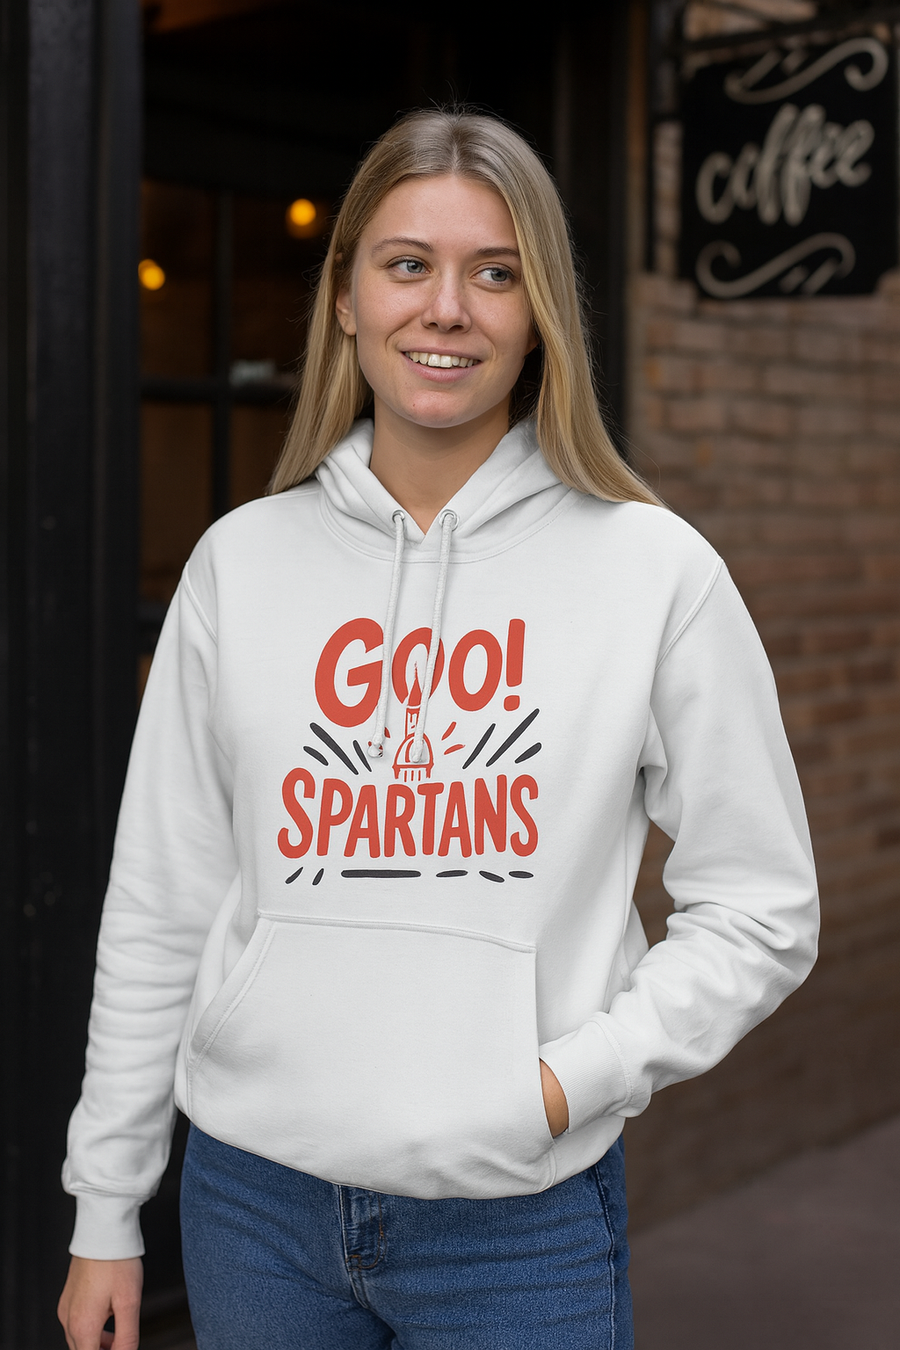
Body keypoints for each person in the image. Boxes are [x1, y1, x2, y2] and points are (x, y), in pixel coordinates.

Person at [58, 108, 818, 1350]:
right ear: (348, 298)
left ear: (539, 315)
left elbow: (763, 906)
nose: (447, 307)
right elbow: (161, 899)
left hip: (514, 1226)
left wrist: (568, 1078)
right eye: (407, 264)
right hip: (254, 1207)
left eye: (496, 272)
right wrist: (106, 1204)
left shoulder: (653, 571)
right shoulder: (240, 565)